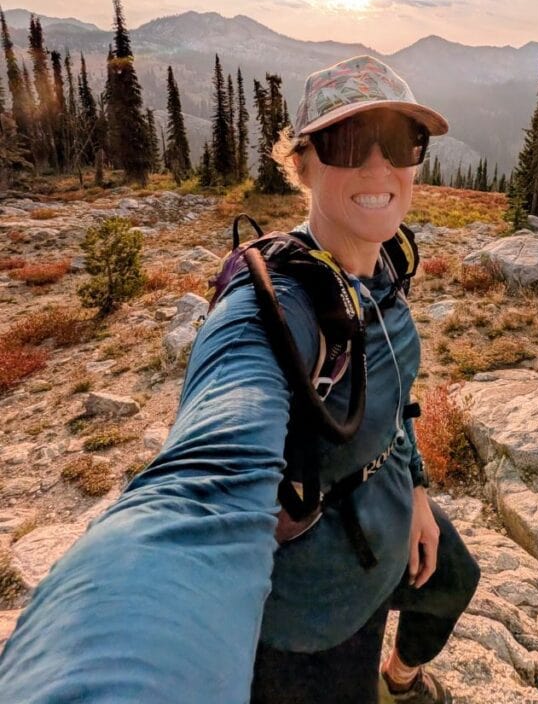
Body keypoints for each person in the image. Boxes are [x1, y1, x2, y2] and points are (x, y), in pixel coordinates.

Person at [0, 54, 480, 704]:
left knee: (455, 578)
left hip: (389, 510)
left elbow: (393, 395)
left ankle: (402, 680)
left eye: (399, 142)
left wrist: (416, 488)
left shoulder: (386, 262)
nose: (377, 167)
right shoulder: (273, 309)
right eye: (344, 143)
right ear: (301, 163)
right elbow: (206, 484)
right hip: (318, 605)